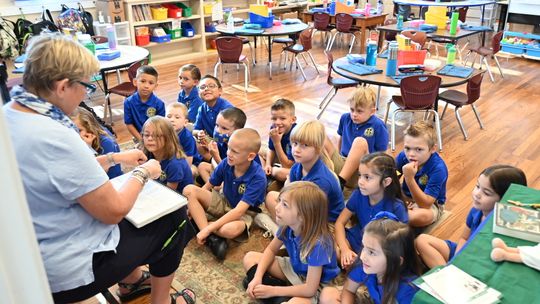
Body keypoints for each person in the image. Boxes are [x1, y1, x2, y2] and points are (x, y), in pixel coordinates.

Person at [3, 33, 195, 304]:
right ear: (62, 86)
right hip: (67, 271)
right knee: (174, 218)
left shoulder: (10, 114)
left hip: (31, 257)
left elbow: (57, 173)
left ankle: (130, 281)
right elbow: (113, 211)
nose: (85, 93)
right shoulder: (55, 135)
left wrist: (112, 159)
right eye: (85, 85)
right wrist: (143, 173)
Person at [243, 181, 340, 304]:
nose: (277, 208)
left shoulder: (318, 244)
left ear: (302, 216)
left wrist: (274, 290)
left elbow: (310, 289)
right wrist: (257, 277)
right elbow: (271, 250)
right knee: (249, 258)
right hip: (296, 269)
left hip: (317, 285)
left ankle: (275, 294)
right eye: (279, 201)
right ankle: (273, 293)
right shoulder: (287, 226)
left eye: (285, 205)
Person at [416, 165, 527, 268]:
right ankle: (446, 273)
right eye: (478, 186)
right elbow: (464, 238)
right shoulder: (475, 212)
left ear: (504, 200)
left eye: (487, 193)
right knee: (421, 240)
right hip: (465, 252)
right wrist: (456, 259)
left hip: (480, 262)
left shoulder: (504, 226)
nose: (477, 194)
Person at [182, 128, 266, 260]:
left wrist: (208, 228)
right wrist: (192, 203)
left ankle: (203, 227)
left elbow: (239, 211)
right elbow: (208, 186)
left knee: (230, 230)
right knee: (189, 190)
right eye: (229, 148)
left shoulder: (258, 177)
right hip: (223, 200)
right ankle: (210, 237)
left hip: (244, 213)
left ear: (250, 156)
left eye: (235, 152)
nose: (229, 154)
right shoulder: (226, 162)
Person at [263, 121, 345, 237]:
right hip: (302, 207)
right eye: (295, 143)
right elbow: (286, 193)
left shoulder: (322, 181)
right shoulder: (297, 166)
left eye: (304, 145)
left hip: (325, 222)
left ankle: (285, 235)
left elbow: (310, 214)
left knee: (290, 215)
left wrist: (287, 197)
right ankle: (285, 234)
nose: (296, 149)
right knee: (271, 196)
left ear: (318, 148)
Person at [319, 213, 423, 304]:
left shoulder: (408, 291)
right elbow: (349, 290)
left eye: (372, 252)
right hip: (375, 300)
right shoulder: (367, 266)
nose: (363, 256)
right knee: (328, 295)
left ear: (395, 261)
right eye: (363, 247)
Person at [335, 152, 408, 268]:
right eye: (360, 175)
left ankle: (360, 271)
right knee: (332, 249)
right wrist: (344, 250)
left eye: (367, 177)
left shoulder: (396, 207)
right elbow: (339, 223)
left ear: (386, 182)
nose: (360, 181)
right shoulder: (358, 195)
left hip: (378, 250)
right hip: (356, 240)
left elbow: (400, 244)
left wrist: (368, 256)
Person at [325, 87, 385, 196]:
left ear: (372, 111)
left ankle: (339, 184)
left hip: (363, 170)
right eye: (352, 110)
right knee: (321, 135)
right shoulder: (345, 118)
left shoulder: (378, 125)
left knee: (360, 142)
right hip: (344, 164)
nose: (354, 114)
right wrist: (338, 157)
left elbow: (382, 154)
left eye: (359, 111)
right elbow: (341, 140)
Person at [396, 121, 448, 228]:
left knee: (423, 216)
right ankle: (399, 214)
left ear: (433, 148)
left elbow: (425, 204)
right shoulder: (403, 157)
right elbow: (391, 178)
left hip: (429, 204)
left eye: (418, 149)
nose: (411, 154)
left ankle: (395, 216)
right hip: (405, 195)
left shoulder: (438, 169)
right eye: (407, 148)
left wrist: (409, 178)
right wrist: (400, 198)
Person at [141, 116, 194, 194]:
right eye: (146, 135)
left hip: (178, 200)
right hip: (158, 189)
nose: (150, 139)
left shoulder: (175, 164)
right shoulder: (147, 155)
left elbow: (168, 195)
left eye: (157, 135)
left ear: (168, 138)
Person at [197, 107, 247, 183]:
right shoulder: (223, 142)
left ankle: (218, 190)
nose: (218, 130)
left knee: (220, 185)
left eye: (224, 128)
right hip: (224, 170)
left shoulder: (240, 150)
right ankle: (213, 189)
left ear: (238, 131)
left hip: (238, 180)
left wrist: (215, 156)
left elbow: (230, 174)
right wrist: (208, 147)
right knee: (202, 166)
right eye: (217, 125)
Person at [71, 106, 122, 179]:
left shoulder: (106, 144)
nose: (74, 134)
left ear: (89, 127)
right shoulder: (72, 140)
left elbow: (102, 177)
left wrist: (88, 148)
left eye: (79, 130)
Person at [124, 65, 166, 143]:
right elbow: (129, 124)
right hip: (138, 137)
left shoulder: (160, 104)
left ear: (155, 86)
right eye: (143, 81)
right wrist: (141, 140)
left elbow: (160, 126)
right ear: (135, 82)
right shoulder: (128, 102)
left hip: (155, 136)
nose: (146, 86)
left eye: (151, 83)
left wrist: (150, 138)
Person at [261, 98, 297, 183]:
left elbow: (287, 165)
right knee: (255, 149)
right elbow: (271, 148)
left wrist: (276, 142)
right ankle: (265, 172)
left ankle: (271, 174)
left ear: (293, 119)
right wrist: (268, 164)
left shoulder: (296, 135)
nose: (277, 122)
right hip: (281, 155)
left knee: (278, 172)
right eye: (274, 118)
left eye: (282, 118)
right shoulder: (274, 128)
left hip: (291, 165)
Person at [166, 103, 197, 167]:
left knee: (192, 171)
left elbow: (189, 162)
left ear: (185, 122)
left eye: (177, 117)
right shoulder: (163, 133)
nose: (172, 120)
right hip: (172, 160)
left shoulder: (187, 137)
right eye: (169, 116)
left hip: (190, 162)